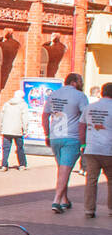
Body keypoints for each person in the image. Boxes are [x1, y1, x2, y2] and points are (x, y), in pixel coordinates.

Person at [43, 72, 89, 214]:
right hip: (72, 137)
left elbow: (45, 115)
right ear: (74, 82)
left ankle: (64, 200)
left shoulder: (53, 95)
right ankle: (57, 200)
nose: (81, 83)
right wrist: (85, 140)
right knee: (65, 169)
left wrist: (47, 134)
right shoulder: (80, 96)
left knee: (63, 169)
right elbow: (86, 117)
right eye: (80, 81)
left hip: (56, 137)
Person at [80, 82, 112, 218]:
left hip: (91, 148)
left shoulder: (90, 107)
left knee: (91, 180)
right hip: (109, 149)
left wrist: (82, 144)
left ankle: (89, 209)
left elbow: (81, 126)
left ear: (102, 92)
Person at [0, 90, 28, 170]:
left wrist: (0, 128)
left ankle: (4, 165)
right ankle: (22, 164)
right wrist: (25, 129)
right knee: (20, 148)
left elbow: (1, 117)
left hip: (6, 129)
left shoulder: (6, 104)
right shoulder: (23, 105)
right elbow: (25, 118)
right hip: (18, 129)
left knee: (6, 148)